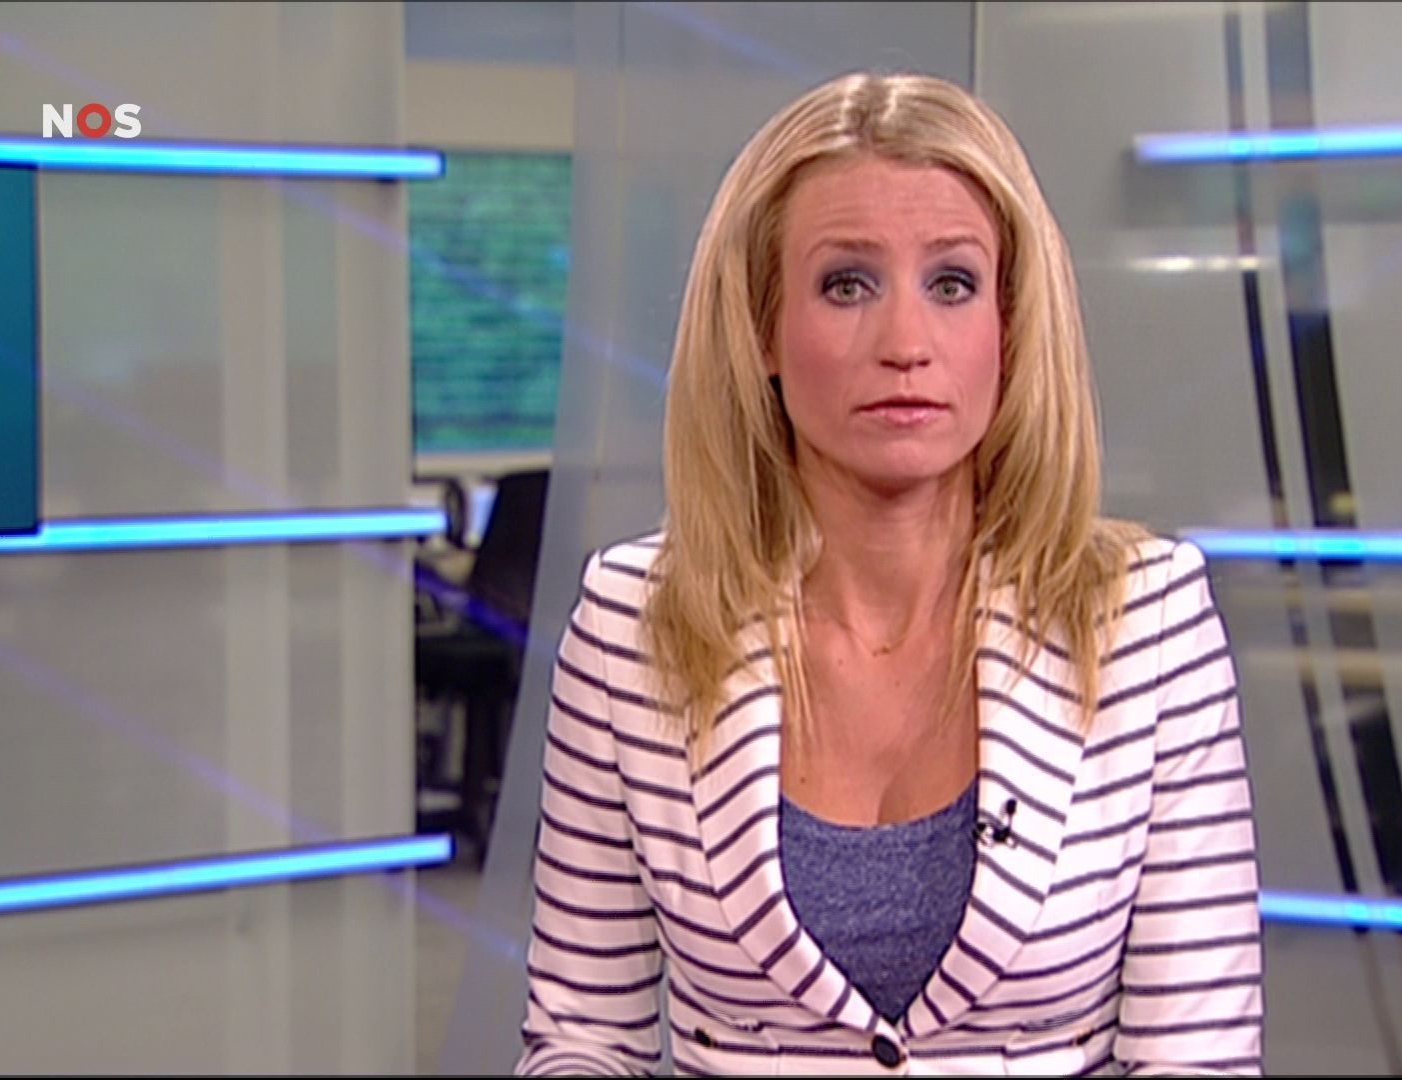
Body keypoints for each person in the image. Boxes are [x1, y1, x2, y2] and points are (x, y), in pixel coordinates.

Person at [516, 70, 1262, 1077]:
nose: (906, 344)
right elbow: (583, 1038)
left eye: (952, 284)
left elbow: (1197, 1058)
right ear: (762, 328)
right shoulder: (630, 625)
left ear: (1011, 325)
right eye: (846, 285)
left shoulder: (1148, 620)